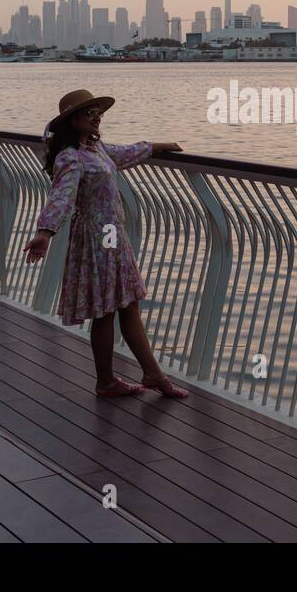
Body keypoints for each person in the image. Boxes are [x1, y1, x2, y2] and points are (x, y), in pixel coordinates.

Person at [23, 89, 188, 398]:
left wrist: (158, 145)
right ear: (72, 121)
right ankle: (123, 379)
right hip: (96, 239)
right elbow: (61, 196)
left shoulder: (97, 150)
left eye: (99, 112)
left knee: (123, 304)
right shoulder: (70, 157)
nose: (97, 117)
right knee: (110, 309)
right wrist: (45, 232)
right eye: (90, 113)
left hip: (113, 236)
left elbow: (127, 152)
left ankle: (133, 377)